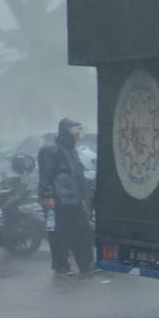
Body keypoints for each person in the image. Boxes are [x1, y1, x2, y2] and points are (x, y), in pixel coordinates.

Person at [37, 117, 95, 278]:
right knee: (59, 234)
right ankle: (61, 266)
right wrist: (47, 196)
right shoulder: (51, 150)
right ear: (66, 131)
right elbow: (45, 175)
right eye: (76, 130)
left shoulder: (72, 150)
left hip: (74, 200)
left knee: (82, 231)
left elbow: (78, 176)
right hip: (57, 201)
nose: (78, 134)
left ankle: (86, 264)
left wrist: (83, 197)